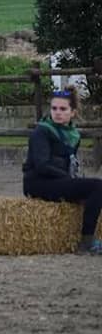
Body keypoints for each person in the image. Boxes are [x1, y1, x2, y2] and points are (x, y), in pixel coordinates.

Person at [23, 86, 102, 255]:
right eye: (54, 108)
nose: (57, 112)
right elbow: (42, 165)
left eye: (63, 109)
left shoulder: (73, 135)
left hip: (59, 180)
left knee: (94, 189)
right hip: (38, 182)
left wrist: (73, 180)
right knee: (98, 186)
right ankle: (86, 242)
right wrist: (69, 179)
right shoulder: (42, 131)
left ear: (72, 113)